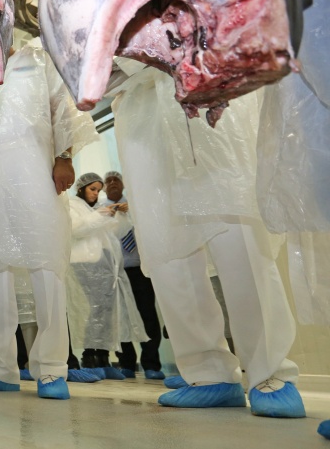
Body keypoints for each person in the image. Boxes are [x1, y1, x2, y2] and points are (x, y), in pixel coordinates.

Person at [110, 63, 304, 417]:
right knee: (167, 248)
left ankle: (270, 372)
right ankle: (207, 373)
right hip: (142, 116)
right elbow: (84, 67)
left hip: (208, 89)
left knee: (237, 234)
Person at [0, 40, 98, 399]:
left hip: (34, 177)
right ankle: (0, 367)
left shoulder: (41, 63)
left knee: (45, 265)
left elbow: (62, 108)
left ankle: (52, 368)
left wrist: (64, 156)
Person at [67, 173, 148, 380]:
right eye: (92, 189)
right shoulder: (72, 204)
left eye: (98, 190)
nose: (96, 193)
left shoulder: (96, 208)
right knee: (94, 309)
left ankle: (103, 358)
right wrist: (101, 214)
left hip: (104, 265)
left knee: (106, 310)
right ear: (81, 188)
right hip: (84, 263)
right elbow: (76, 229)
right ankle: (89, 357)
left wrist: (120, 216)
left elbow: (116, 233)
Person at [98, 171, 165, 380]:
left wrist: (134, 212)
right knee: (120, 317)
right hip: (114, 272)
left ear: (123, 184)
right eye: (108, 181)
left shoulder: (137, 205)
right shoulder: (99, 210)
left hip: (139, 270)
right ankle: (126, 363)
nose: (112, 183)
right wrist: (105, 217)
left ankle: (151, 364)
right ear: (104, 187)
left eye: (116, 180)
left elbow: (152, 226)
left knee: (147, 316)